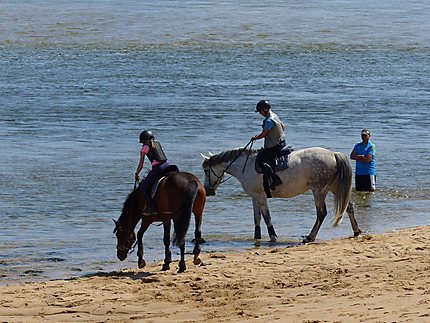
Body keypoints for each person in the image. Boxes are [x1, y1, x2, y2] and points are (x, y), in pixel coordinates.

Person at [251, 100, 286, 190]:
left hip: (274, 146)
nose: (260, 113)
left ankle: (275, 179)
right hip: (282, 142)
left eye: (260, 111)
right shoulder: (274, 115)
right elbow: (283, 126)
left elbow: (263, 134)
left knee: (262, 162)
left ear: (264, 110)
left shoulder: (269, 121)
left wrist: (255, 138)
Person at [135, 130, 170, 212]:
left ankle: (151, 207)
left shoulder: (145, 148)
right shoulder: (158, 144)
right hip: (167, 165)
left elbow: (141, 164)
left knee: (143, 187)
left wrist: (137, 173)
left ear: (143, 141)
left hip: (158, 168)